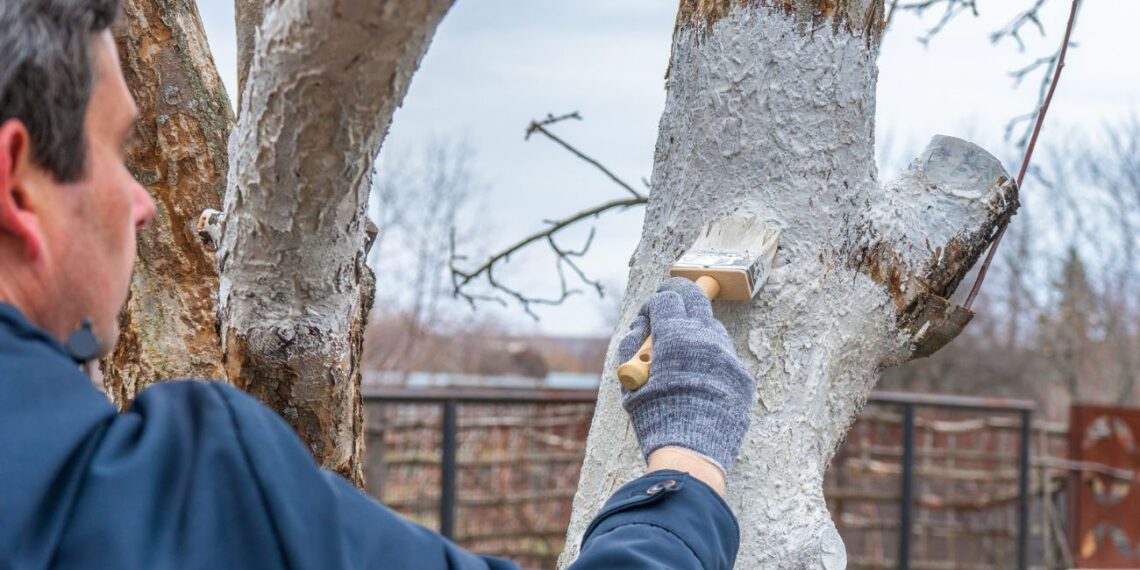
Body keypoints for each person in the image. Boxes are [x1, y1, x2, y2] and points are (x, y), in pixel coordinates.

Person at [0, 1, 757, 568]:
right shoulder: (166, 494)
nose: (141, 202)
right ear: (17, 184)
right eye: (118, 150)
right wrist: (685, 466)